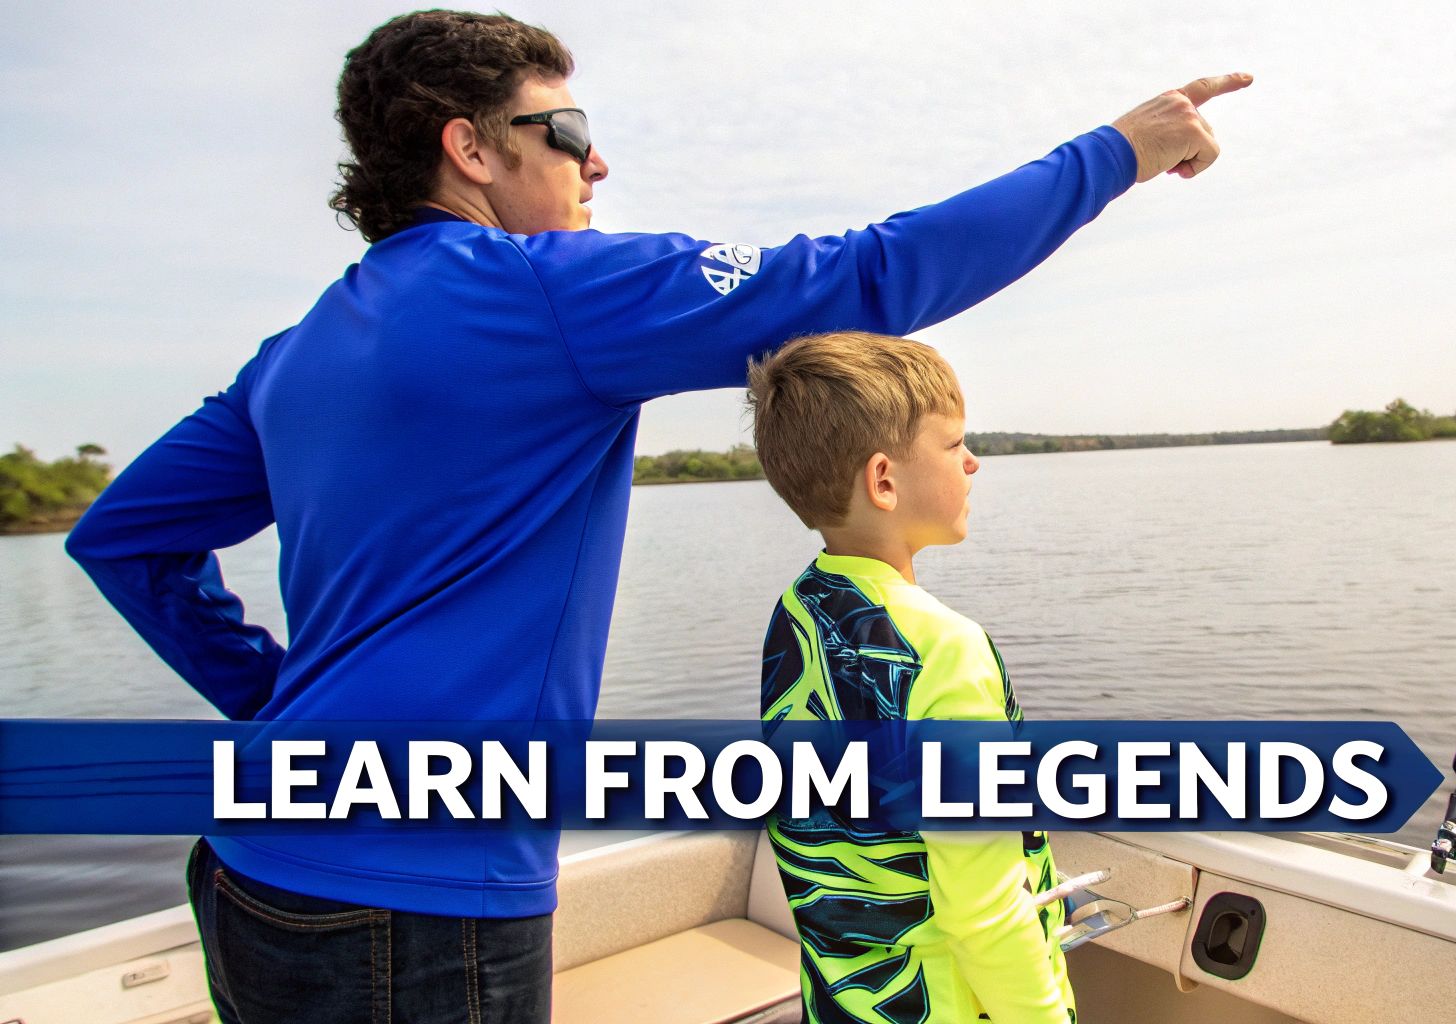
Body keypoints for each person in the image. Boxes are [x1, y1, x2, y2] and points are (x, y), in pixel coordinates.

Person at [63, 8, 1250, 1022]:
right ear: (469, 150)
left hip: (250, 868)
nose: (596, 167)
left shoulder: (295, 354)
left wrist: (271, 702)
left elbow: (122, 538)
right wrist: (1117, 152)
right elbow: (871, 274)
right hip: (416, 892)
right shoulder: (544, 294)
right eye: (567, 134)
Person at [747, 332, 1073, 1023]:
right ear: (884, 480)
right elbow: (983, 916)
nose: (974, 462)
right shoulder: (944, 649)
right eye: (955, 445)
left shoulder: (797, 615)